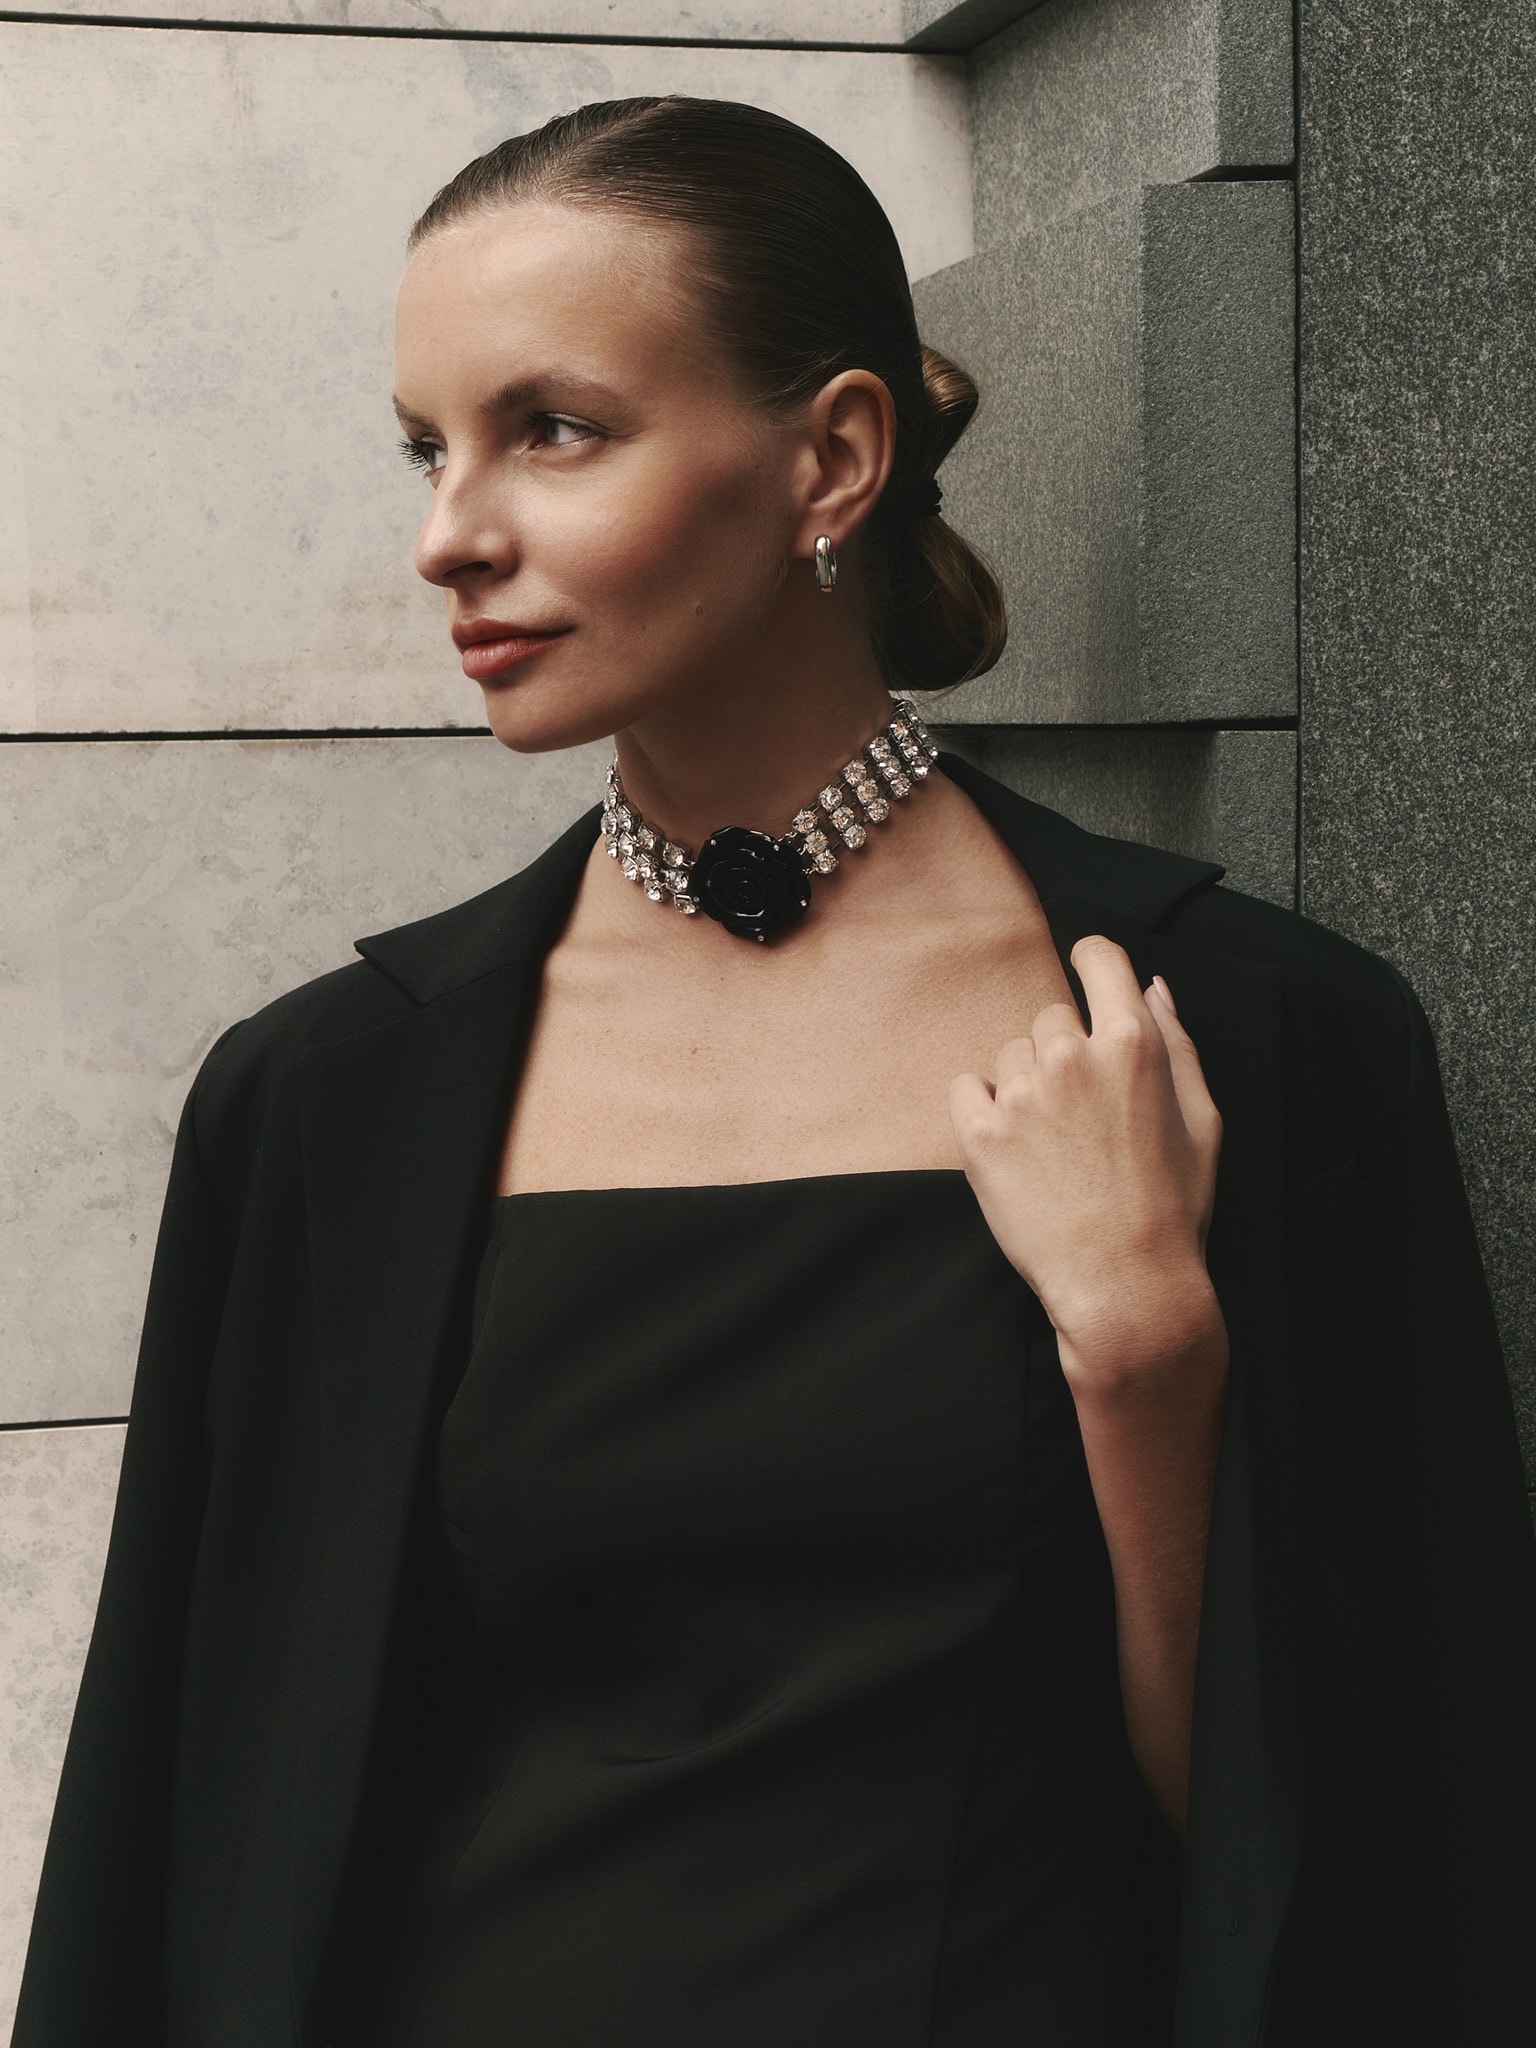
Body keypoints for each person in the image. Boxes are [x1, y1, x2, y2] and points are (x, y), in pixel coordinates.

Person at [14, 96, 1536, 2048]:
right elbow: (176, 1822)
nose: (444, 535)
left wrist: (1149, 1344)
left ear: (831, 454)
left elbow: (1357, 1853)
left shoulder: (1248, 1035)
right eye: (427, 446)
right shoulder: (323, 1110)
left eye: (549, 429)